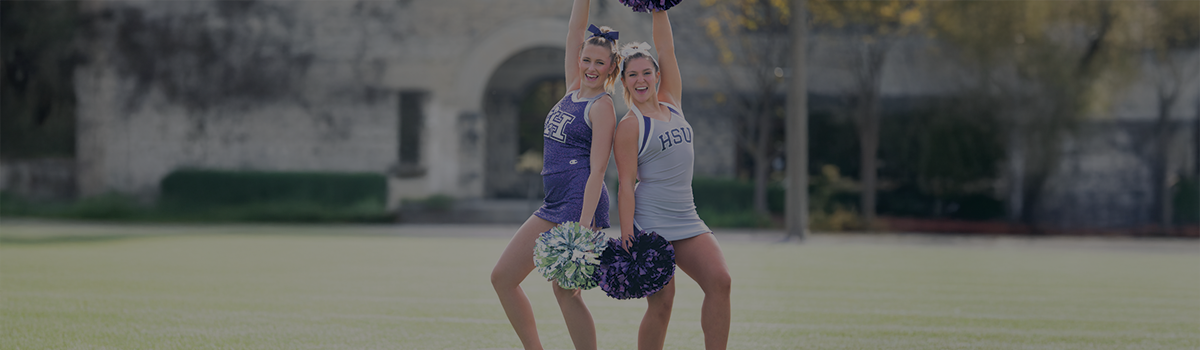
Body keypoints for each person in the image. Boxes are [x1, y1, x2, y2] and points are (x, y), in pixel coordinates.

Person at [489, 0, 621, 348]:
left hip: (578, 203)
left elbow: (598, 171)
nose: (591, 67)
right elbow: (574, 32)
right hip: (555, 201)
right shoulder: (573, 89)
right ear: (580, 59)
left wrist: (583, 224)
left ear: (611, 68)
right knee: (506, 278)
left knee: (564, 291)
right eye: (587, 59)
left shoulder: (603, 106)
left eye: (599, 63)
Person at [613, 9, 732, 350]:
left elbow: (666, 48)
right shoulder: (630, 125)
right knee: (662, 304)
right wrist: (627, 236)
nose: (640, 80)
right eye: (632, 74)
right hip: (652, 224)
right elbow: (625, 184)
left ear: (656, 75)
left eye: (646, 72)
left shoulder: (672, 102)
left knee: (720, 281)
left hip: (687, 217)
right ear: (624, 82)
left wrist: (658, 6)